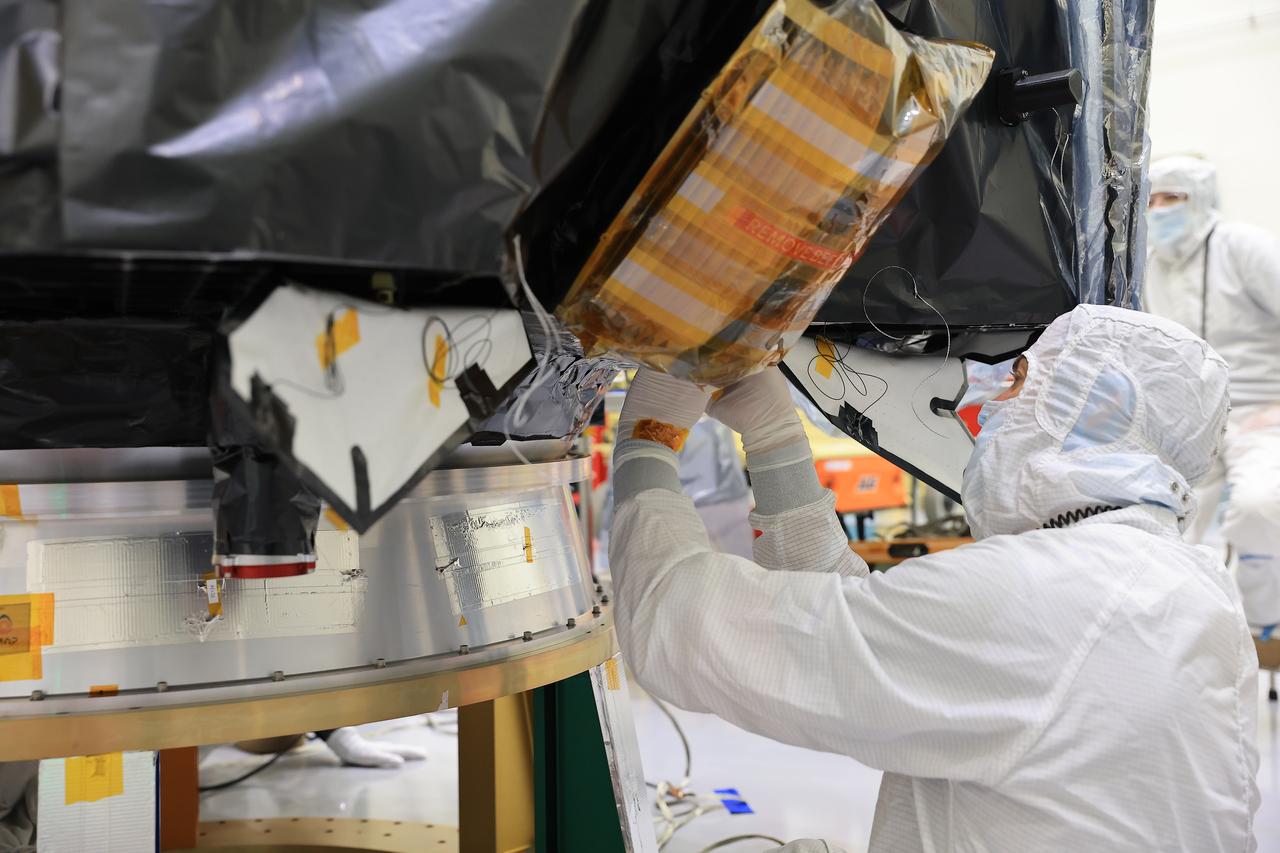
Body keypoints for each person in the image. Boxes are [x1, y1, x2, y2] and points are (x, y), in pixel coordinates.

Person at [609, 305, 1258, 852]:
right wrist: (777, 442)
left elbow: (684, 622)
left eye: (1019, 382)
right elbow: (869, 628)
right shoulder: (1189, 588)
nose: (985, 401)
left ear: (1090, 409)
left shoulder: (1039, 595)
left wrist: (647, 441)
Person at [1144, 155, 1280, 634]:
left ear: (1201, 200)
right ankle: (1197, 627)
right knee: (1167, 521)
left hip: (1266, 413)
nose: (1159, 210)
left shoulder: (1245, 247)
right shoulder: (1149, 265)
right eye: (1152, 199)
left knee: (1260, 507)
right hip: (1193, 421)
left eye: (1173, 198)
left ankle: (1267, 624)